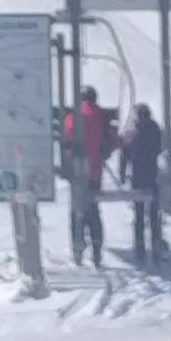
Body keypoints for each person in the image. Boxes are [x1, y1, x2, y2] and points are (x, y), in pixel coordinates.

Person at [59, 89, 116, 269]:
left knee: (77, 211)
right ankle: (96, 251)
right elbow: (111, 140)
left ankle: (78, 250)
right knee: (93, 212)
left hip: (77, 172)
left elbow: (67, 134)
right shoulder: (102, 116)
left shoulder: (73, 116)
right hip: (95, 171)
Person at [122, 102, 171, 268]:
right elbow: (160, 149)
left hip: (137, 177)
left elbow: (125, 154)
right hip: (153, 175)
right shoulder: (155, 130)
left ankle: (140, 250)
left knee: (139, 216)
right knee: (154, 215)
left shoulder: (132, 133)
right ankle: (156, 249)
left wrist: (122, 173)